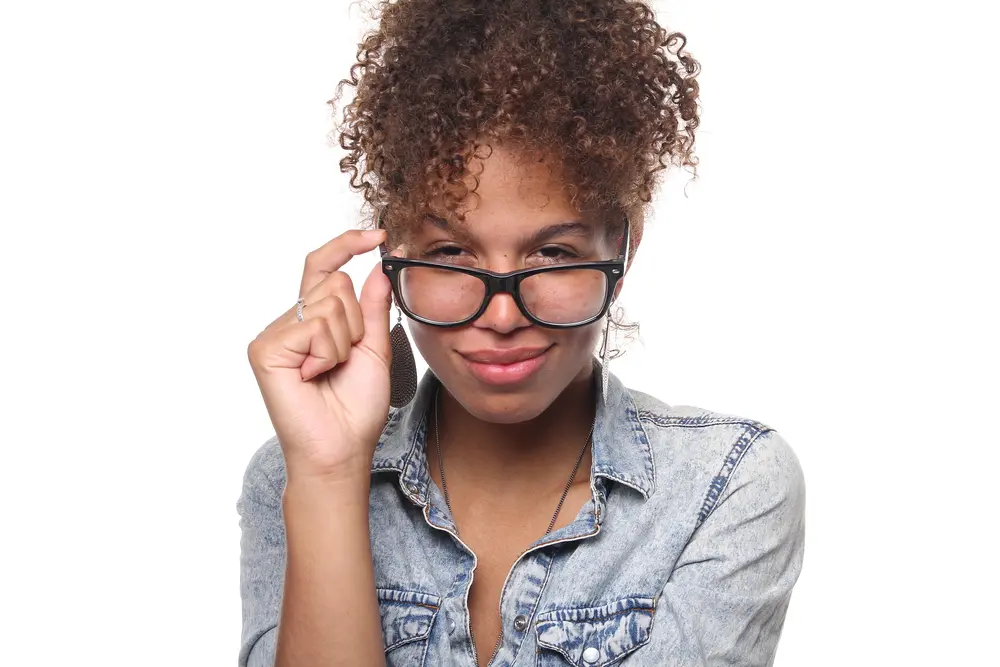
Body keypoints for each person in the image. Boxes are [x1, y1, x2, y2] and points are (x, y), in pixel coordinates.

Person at [237, 1, 806, 666]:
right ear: (390, 258)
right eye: (451, 254)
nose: (502, 316)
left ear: (620, 249)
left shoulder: (725, 485)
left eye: (553, 254)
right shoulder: (291, 476)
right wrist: (330, 475)